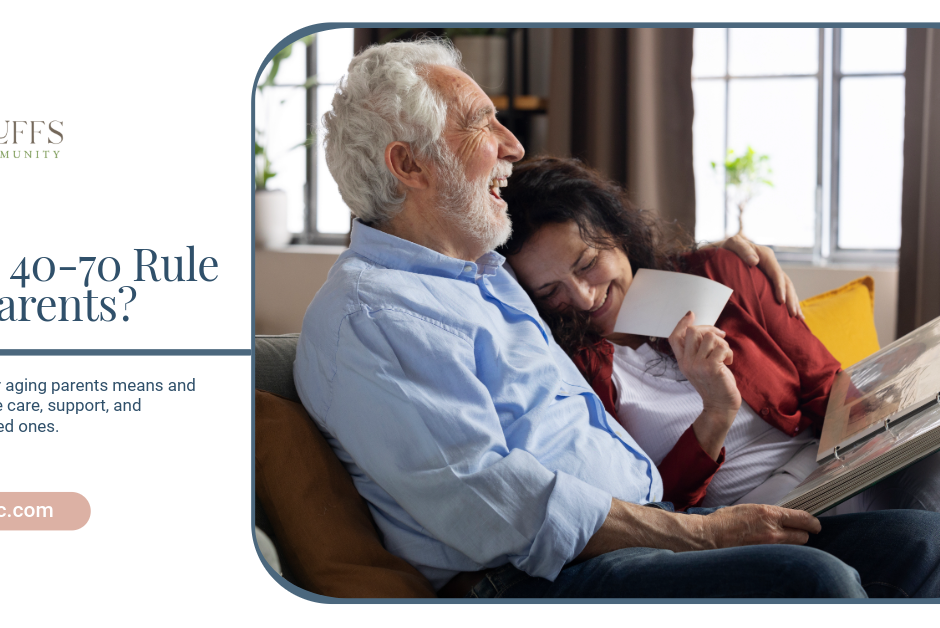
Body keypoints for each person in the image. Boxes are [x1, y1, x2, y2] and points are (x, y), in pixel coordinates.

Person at [292, 38, 940, 598]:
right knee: (814, 584)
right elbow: (490, 500)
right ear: (408, 164)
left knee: (919, 540)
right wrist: (701, 534)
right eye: (480, 123)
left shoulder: (485, 279)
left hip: (644, 532)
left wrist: (728, 257)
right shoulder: (371, 314)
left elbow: (629, 268)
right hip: (539, 578)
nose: (511, 145)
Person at [498, 156, 940, 513]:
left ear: (618, 234)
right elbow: (654, 508)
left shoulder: (716, 272)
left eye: (587, 263)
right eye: (550, 291)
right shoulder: (571, 367)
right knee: (919, 535)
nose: (583, 296)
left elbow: (824, 383)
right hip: (754, 516)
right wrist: (715, 411)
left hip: (831, 465)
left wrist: (896, 425)